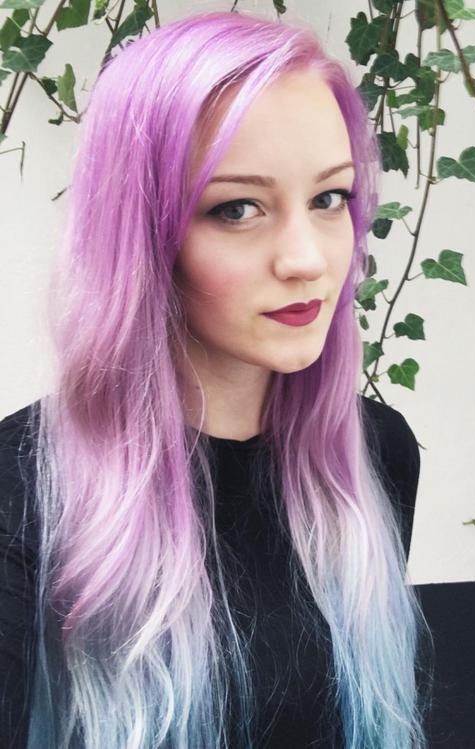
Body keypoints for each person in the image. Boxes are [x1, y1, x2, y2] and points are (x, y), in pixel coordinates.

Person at [0, 9, 433, 749]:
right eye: (238, 208)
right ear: (145, 235)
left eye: (330, 198)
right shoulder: (24, 489)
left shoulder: (373, 455)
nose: (306, 259)